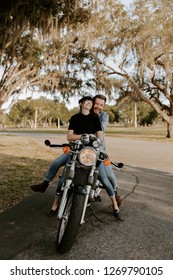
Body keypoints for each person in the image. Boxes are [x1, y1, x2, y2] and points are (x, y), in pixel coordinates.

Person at [30, 95, 120, 217]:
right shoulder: (78, 116)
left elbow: (100, 132)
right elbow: (72, 134)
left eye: (101, 105)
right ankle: (49, 192)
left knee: (107, 176)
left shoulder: (102, 117)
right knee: (59, 165)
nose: (98, 106)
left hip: (96, 151)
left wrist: (92, 124)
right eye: (96, 104)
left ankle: (116, 196)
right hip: (78, 149)